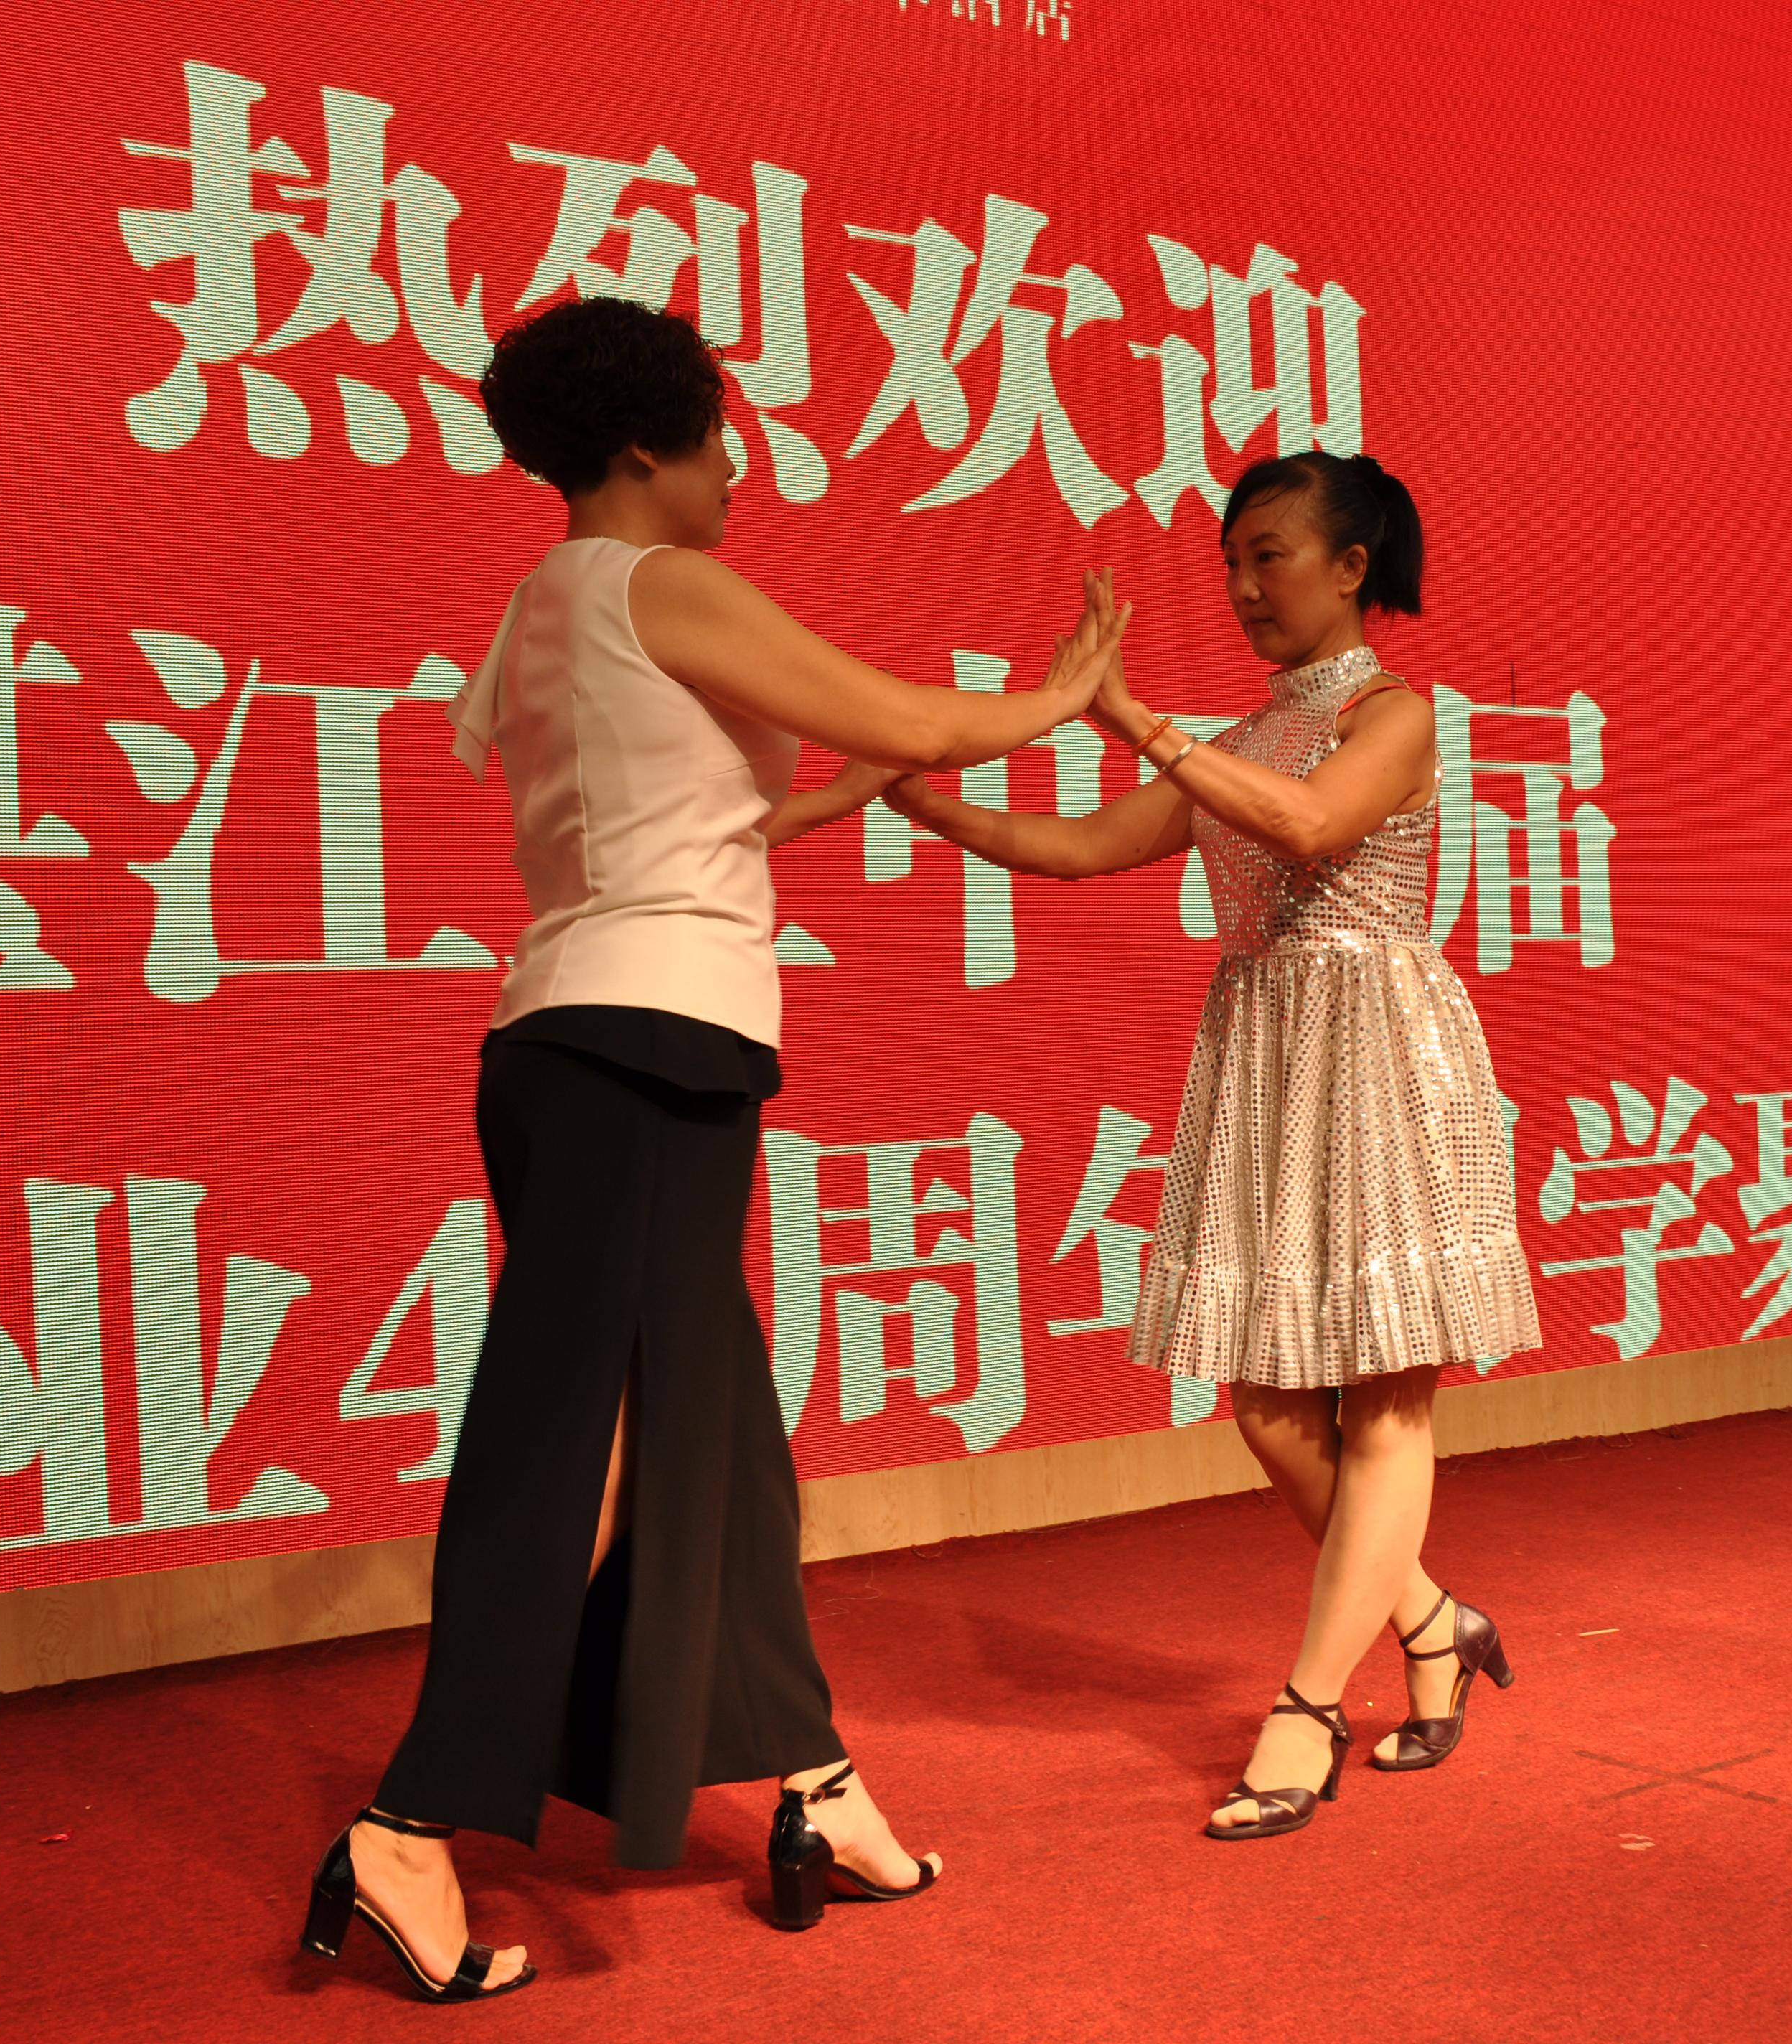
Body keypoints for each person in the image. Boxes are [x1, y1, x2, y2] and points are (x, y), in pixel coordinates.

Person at [301, 296, 1130, 2002]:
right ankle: (407, 1822)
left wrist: (836, 797)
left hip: (589, 1033)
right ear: (643, 444)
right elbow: (911, 716)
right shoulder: (653, 580)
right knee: (567, 1433)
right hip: (641, 1044)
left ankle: (810, 1775)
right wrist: (1065, 692)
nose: (737, 465)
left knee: (718, 1433)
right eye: (720, 433)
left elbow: (677, 818)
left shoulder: (548, 602)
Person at [881, 449, 1539, 1841]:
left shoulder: (1393, 713)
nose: (1242, 586)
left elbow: (1308, 823)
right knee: (1266, 1405)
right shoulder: (1241, 737)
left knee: (1387, 1404)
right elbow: (1081, 847)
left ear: (1351, 567)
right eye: (1230, 563)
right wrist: (932, 804)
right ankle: (1433, 1621)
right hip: (1266, 1064)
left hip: (1379, 1055)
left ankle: (1305, 1709)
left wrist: (1127, 712)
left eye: (1268, 557)